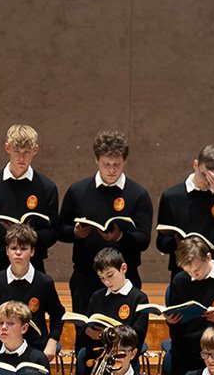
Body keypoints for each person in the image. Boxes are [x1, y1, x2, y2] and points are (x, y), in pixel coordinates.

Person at [57, 130, 154, 311]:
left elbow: (144, 240)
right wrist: (75, 233)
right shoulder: (78, 191)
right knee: (85, 334)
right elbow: (60, 228)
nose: (111, 170)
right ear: (96, 160)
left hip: (125, 278)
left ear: (124, 161)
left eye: (116, 164)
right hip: (86, 277)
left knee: (124, 335)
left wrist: (120, 237)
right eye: (106, 164)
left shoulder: (138, 194)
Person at [158, 234, 214, 375]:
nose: (193, 275)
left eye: (196, 270)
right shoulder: (180, 281)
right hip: (184, 353)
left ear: (208, 257)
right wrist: (171, 321)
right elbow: (175, 322)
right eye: (188, 272)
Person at [0, 124, 59, 276]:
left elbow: (53, 233)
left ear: (35, 150)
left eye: (27, 152)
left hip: (33, 268)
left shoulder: (47, 187)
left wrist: (28, 235)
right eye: (16, 151)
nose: (21, 158)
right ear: (7, 148)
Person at [0, 223, 63, 363]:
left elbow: (58, 314)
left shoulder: (44, 282)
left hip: (35, 349)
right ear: (7, 251)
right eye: (13, 248)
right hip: (0, 351)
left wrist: (52, 342)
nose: (18, 253)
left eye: (23, 248)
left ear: (32, 251)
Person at [156, 144, 214, 276]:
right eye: (204, 174)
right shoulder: (172, 196)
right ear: (195, 165)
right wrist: (176, 243)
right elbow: (161, 243)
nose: (207, 181)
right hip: (183, 272)